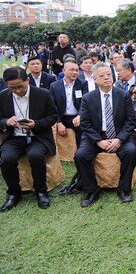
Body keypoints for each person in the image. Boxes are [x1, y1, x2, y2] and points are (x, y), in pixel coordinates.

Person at [74, 62, 136, 207]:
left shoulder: (123, 95)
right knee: (80, 155)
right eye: (102, 76)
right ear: (95, 80)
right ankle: (92, 190)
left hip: (119, 135)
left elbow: (130, 120)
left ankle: (124, 189)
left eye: (109, 74)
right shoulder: (88, 98)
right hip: (97, 137)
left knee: (130, 152)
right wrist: (98, 141)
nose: (107, 78)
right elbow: (85, 124)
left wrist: (119, 140)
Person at [0, 67, 58, 212]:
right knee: (7, 159)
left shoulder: (43, 94)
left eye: (20, 86)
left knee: (36, 155)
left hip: (38, 136)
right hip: (14, 138)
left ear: (28, 80)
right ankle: (14, 193)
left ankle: (41, 191)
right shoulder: (3, 96)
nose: (17, 91)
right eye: (12, 88)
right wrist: (6, 121)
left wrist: (36, 124)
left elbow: (53, 116)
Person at [50, 61, 89, 194]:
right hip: (62, 117)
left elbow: (85, 102)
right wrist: (58, 122)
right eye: (71, 70)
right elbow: (53, 107)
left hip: (77, 117)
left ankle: (81, 154)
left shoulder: (82, 84)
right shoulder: (54, 86)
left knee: (84, 131)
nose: (75, 72)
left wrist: (80, 115)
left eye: (77, 70)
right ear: (63, 71)